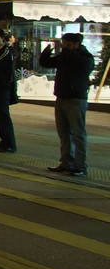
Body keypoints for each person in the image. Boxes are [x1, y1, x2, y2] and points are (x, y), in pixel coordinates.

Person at [39, 33, 95, 176]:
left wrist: (67, 51)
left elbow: (77, 62)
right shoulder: (65, 56)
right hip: (61, 98)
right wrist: (47, 51)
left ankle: (80, 165)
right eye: (64, 44)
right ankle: (66, 162)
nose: (64, 47)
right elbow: (46, 63)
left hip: (76, 100)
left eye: (68, 44)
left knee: (78, 134)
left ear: (77, 44)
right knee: (64, 134)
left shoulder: (86, 58)